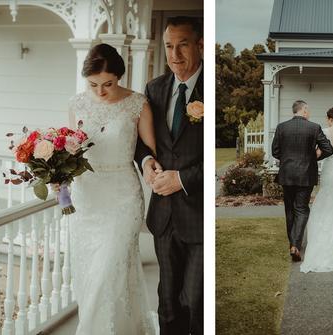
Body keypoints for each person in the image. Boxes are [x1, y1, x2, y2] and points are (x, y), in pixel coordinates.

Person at [67, 43, 157, 334]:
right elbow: (71, 150)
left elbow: (149, 150)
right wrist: (58, 171)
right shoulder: (76, 104)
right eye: (93, 84)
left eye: (108, 84)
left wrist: (149, 163)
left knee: (109, 270)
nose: (100, 91)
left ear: (119, 77)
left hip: (122, 196)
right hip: (87, 198)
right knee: (91, 274)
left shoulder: (138, 103)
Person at [135, 16, 203, 335]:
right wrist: (148, 161)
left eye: (183, 45)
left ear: (200, 45)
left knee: (194, 301)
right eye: (168, 46)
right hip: (163, 215)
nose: (174, 55)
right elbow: (141, 143)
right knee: (168, 302)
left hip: (198, 215)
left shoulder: (210, 89)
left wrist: (182, 179)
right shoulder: (155, 88)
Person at [272, 100, 333, 262]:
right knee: (302, 209)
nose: (310, 113)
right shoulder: (314, 127)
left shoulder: (282, 127)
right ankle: (295, 246)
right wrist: (313, 156)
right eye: (309, 110)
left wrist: (287, 159)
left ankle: (293, 244)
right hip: (306, 175)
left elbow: (275, 151)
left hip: (286, 174)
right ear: (304, 110)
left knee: (290, 210)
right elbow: (328, 149)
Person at [300, 107, 333, 273]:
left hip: (330, 170)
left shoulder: (324, 131)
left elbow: (318, 153)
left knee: (326, 202)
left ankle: (324, 236)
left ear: (330, 118)